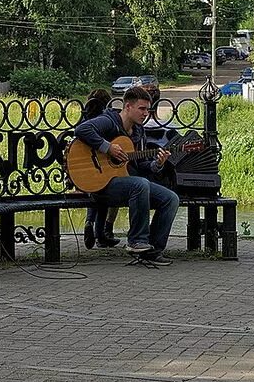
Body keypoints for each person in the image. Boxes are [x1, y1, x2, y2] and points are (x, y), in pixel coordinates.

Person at [72, 84, 179, 264]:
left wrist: (157, 164)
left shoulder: (139, 131)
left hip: (126, 185)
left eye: (148, 109)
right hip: (100, 185)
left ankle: (152, 250)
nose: (146, 113)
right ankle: (137, 240)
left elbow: (141, 164)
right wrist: (108, 148)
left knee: (171, 198)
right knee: (140, 184)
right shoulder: (109, 121)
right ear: (128, 107)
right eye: (142, 109)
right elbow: (81, 130)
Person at [78, 89, 121, 249]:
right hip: (100, 166)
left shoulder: (84, 118)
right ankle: (102, 234)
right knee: (103, 194)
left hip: (82, 167)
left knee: (95, 192)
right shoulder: (105, 120)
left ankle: (89, 222)